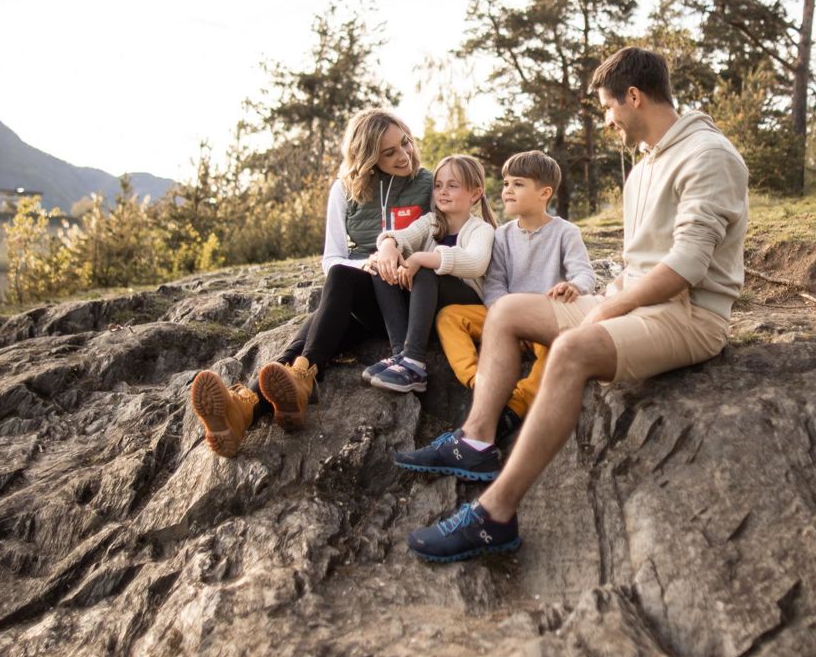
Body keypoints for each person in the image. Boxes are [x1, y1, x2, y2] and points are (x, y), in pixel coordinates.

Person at [397, 46, 749, 561]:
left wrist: (605, 310)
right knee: (508, 310)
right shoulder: (647, 162)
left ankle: (495, 515)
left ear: (634, 97)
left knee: (570, 352)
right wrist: (605, 296)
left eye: (609, 108)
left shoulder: (709, 156)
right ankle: (476, 441)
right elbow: (641, 263)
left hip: (690, 315)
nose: (607, 121)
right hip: (634, 301)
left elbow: (687, 268)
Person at [189, 108, 432, 458]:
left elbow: (442, 233)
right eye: (389, 151)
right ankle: (246, 410)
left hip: (405, 295)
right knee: (330, 300)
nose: (404, 155)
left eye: (405, 143)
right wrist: (372, 261)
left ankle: (291, 380)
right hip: (362, 297)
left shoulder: (426, 183)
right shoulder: (345, 191)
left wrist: (397, 258)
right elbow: (332, 258)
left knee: (327, 304)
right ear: (366, 157)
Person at [425, 150, 595, 451]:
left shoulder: (566, 232)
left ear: (544, 193)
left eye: (517, 184)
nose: (506, 190)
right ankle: (479, 380)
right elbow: (494, 285)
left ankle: (517, 404)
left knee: (560, 347)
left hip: (544, 319)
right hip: (504, 320)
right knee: (450, 316)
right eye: (505, 183)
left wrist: (573, 287)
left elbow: (584, 275)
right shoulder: (501, 236)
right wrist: (502, 318)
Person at [363, 154, 497, 393]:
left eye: (452, 186)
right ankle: (401, 356)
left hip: (463, 305)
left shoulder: (481, 229)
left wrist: (421, 258)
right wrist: (387, 248)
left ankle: (414, 362)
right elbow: (402, 236)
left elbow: (475, 263)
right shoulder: (431, 222)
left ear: (475, 194)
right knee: (382, 268)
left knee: (426, 270)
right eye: (438, 185)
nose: (443, 192)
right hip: (428, 306)